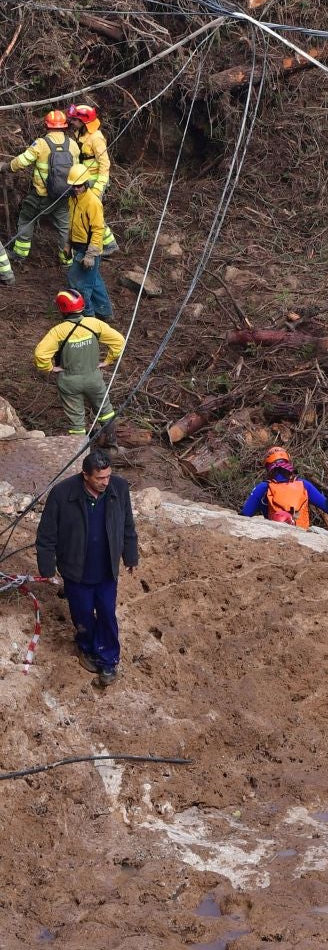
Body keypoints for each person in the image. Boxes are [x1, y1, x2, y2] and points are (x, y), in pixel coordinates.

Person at [35, 447, 139, 687]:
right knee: (82, 615)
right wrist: (47, 569)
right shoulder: (62, 494)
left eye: (108, 476)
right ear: (85, 475)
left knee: (106, 614)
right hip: (76, 571)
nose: (105, 482)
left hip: (106, 571)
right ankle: (86, 647)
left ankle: (108, 659)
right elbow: (46, 534)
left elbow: (127, 525)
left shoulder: (119, 489)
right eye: (99, 478)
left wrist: (130, 556)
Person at [33, 290, 125, 442]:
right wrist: (108, 360)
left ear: (62, 309)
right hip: (94, 378)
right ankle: (112, 446)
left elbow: (40, 354)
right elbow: (119, 342)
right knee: (106, 411)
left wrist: (48, 368)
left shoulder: (58, 331)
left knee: (76, 423)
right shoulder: (94, 324)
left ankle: (79, 457)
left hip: (69, 382)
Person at [10, 110, 79, 264]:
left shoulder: (41, 144)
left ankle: (20, 254)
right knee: (64, 228)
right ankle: (67, 261)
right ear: (64, 127)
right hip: (64, 195)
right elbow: (77, 169)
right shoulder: (73, 144)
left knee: (26, 219)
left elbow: (21, 161)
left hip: (41, 195)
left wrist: (7, 167)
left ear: (47, 126)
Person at [240, 445, 328, 535]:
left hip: (274, 535)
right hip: (302, 536)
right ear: (288, 464)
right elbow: (327, 504)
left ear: (268, 467)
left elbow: (246, 513)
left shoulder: (263, 487)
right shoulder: (304, 485)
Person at [64, 163, 113, 321]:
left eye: (79, 186)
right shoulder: (74, 199)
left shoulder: (92, 202)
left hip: (88, 249)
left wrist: (90, 255)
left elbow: (98, 229)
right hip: (78, 246)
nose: (76, 189)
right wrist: (68, 244)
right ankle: (105, 313)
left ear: (86, 184)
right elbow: (71, 223)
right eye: (74, 186)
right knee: (95, 282)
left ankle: (88, 316)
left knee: (78, 281)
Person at [68, 105, 119, 255]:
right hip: (83, 180)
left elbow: (105, 163)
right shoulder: (79, 133)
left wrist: (99, 186)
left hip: (94, 182)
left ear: (83, 122)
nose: (72, 122)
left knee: (93, 215)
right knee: (87, 214)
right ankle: (108, 243)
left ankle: (109, 245)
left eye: (75, 120)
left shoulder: (96, 138)